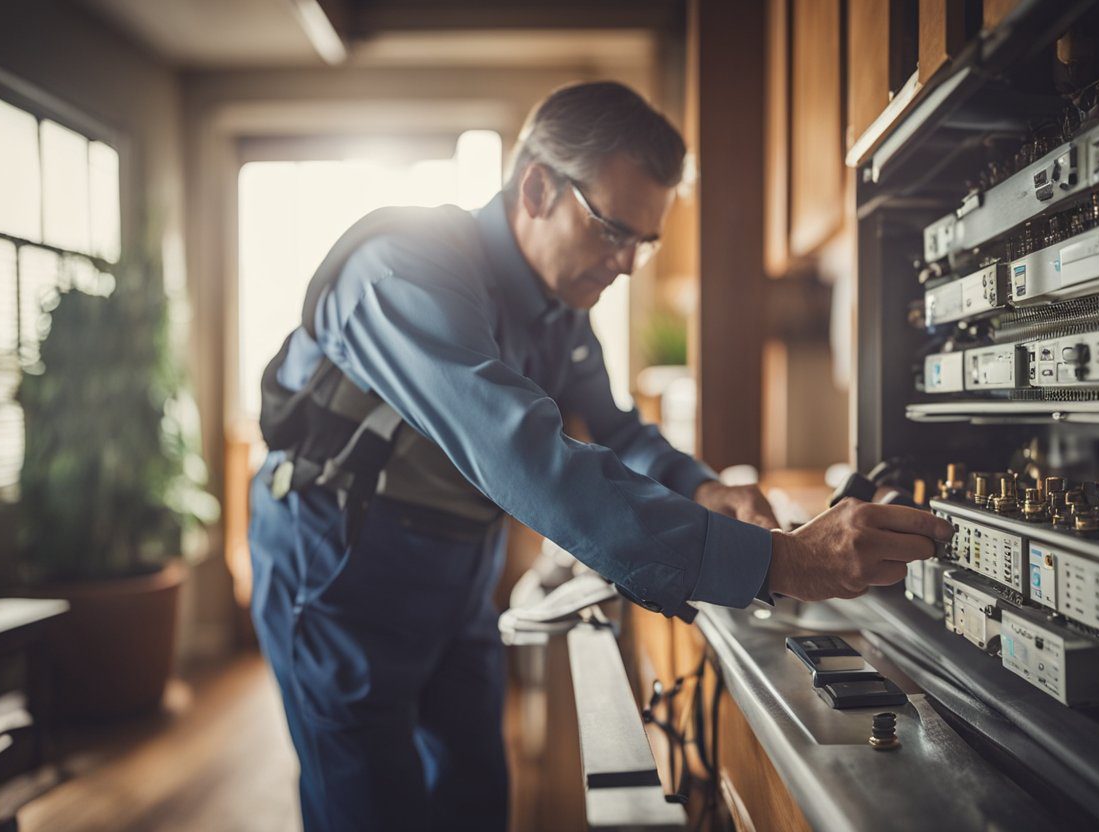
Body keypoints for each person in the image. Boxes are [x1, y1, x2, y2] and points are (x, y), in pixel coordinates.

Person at [248, 80, 952, 832]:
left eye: (644, 243)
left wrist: (706, 490)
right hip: (340, 566)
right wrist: (777, 563)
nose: (626, 263)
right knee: (371, 808)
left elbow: (618, 429)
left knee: (476, 794)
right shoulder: (402, 272)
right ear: (537, 187)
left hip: (457, 574)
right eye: (613, 230)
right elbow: (525, 456)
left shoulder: (559, 309)